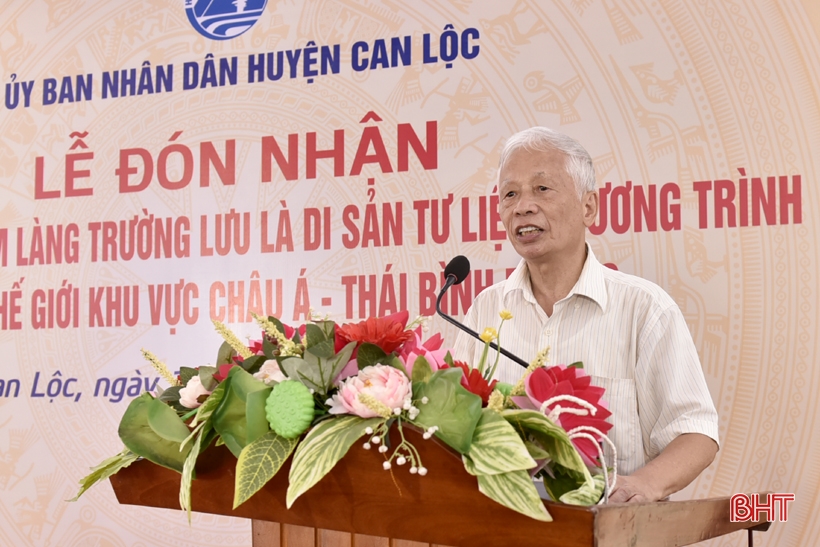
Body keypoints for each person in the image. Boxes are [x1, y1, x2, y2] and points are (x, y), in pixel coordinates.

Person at [453, 127, 719, 503]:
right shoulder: (485, 309)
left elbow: (695, 433)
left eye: (542, 189)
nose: (522, 206)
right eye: (509, 194)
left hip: (610, 529)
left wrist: (642, 485)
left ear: (588, 207)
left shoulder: (644, 309)